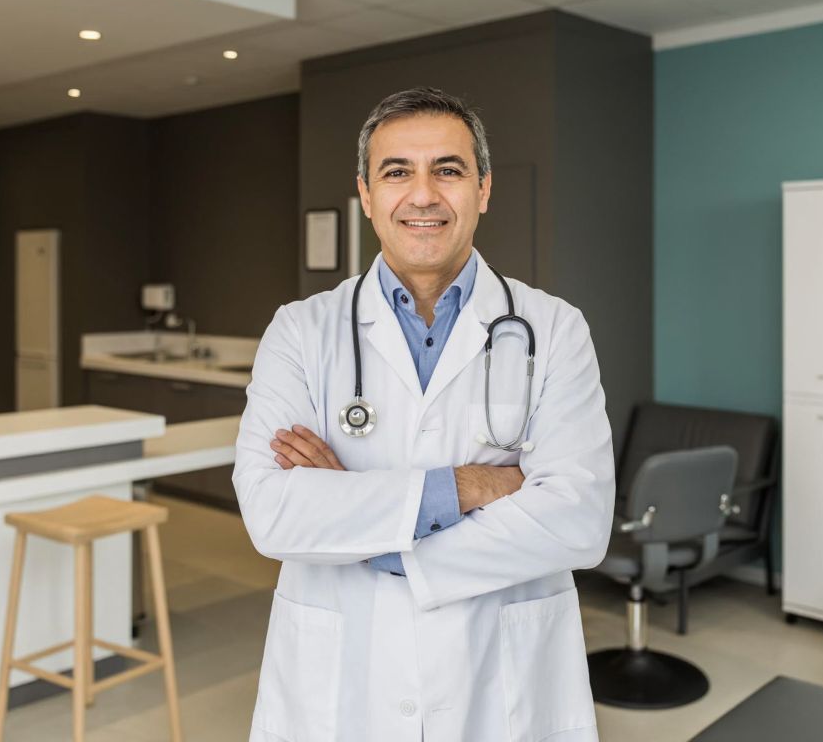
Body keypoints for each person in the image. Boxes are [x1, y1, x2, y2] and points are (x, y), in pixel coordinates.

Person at [235, 86, 615, 742]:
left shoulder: (555, 328)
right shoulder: (301, 331)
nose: (423, 195)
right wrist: (467, 486)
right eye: (396, 172)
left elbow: (579, 519)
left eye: (448, 170)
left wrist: (356, 514)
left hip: (501, 678)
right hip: (343, 680)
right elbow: (272, 513)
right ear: (366, 195)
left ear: (483, 189)